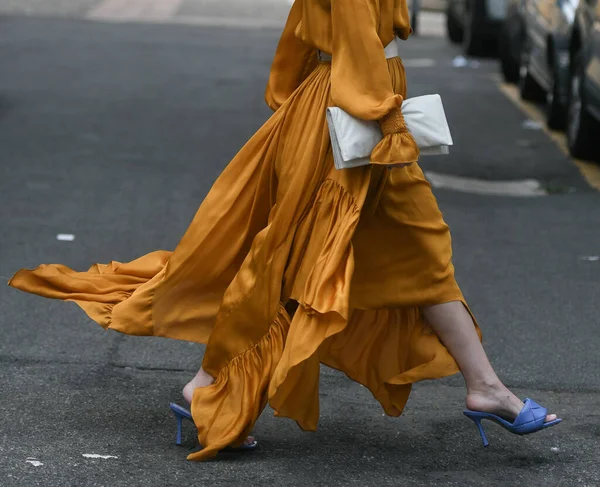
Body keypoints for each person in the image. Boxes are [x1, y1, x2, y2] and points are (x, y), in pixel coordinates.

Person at [8, 0, 560, 461]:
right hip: (356, 116)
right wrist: (383, 118)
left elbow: (302, 38)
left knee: (413, 252)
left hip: (353, 111)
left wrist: (317, 108)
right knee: (304, 260)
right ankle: (206, 386)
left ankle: (486, 387)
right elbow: (353, 44)